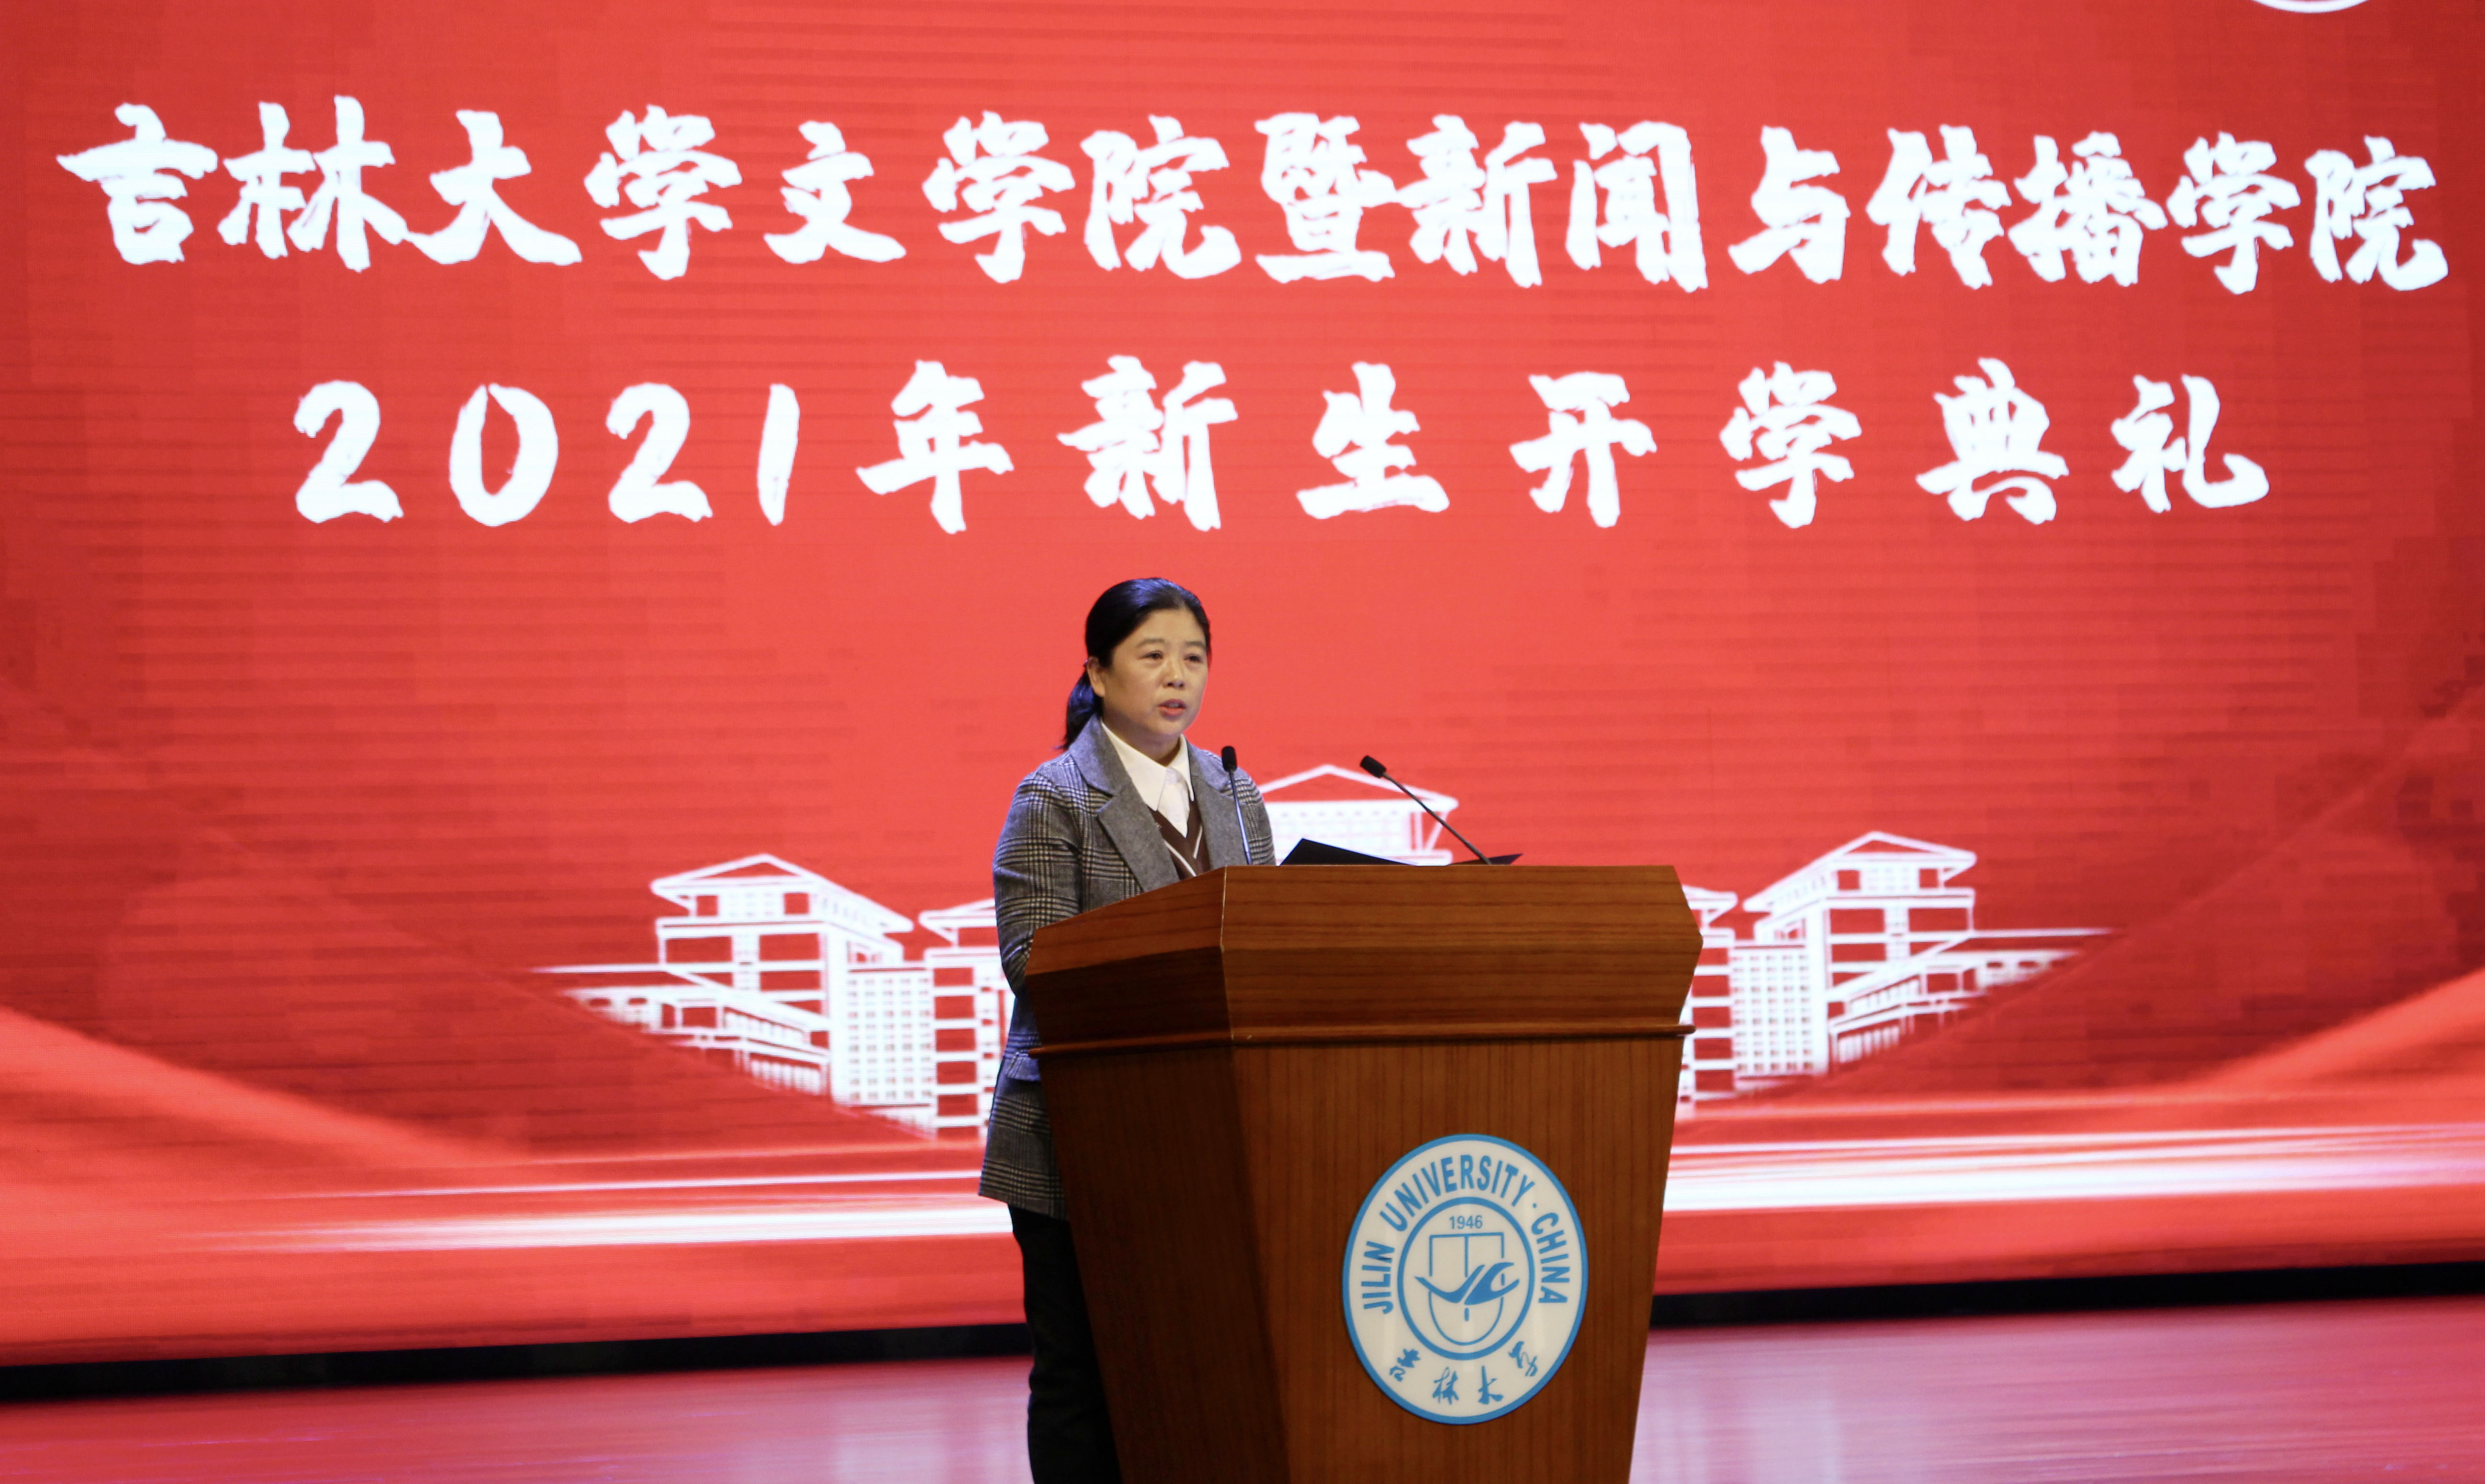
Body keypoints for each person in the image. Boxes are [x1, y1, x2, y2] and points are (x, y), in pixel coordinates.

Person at [978, 578, 1273, 1483]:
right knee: (1082, 1374)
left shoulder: (1234, 789)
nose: (1177, 676)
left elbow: (1262, 942)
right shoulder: (1054, 797)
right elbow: (1036, 960)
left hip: (1208, 1137)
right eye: (1153, 656)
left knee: (1192, 1368)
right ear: (1099, 675)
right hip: (1079, 1136)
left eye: (1193, 658)